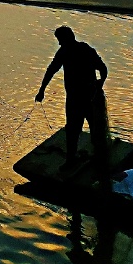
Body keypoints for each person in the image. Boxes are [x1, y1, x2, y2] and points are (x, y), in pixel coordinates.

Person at [35, 26, 110, 171]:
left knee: (79, 130)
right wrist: (101, 82)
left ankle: (80, 160)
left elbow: (51, 71)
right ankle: (90, 158)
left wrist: (42, 91)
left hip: (84, 99)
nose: (59, 43)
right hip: (83, 98)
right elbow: (103, 68)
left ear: (66, 38)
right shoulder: (78, 50)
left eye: (60, 40)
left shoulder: (70, 51)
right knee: (85, 129)